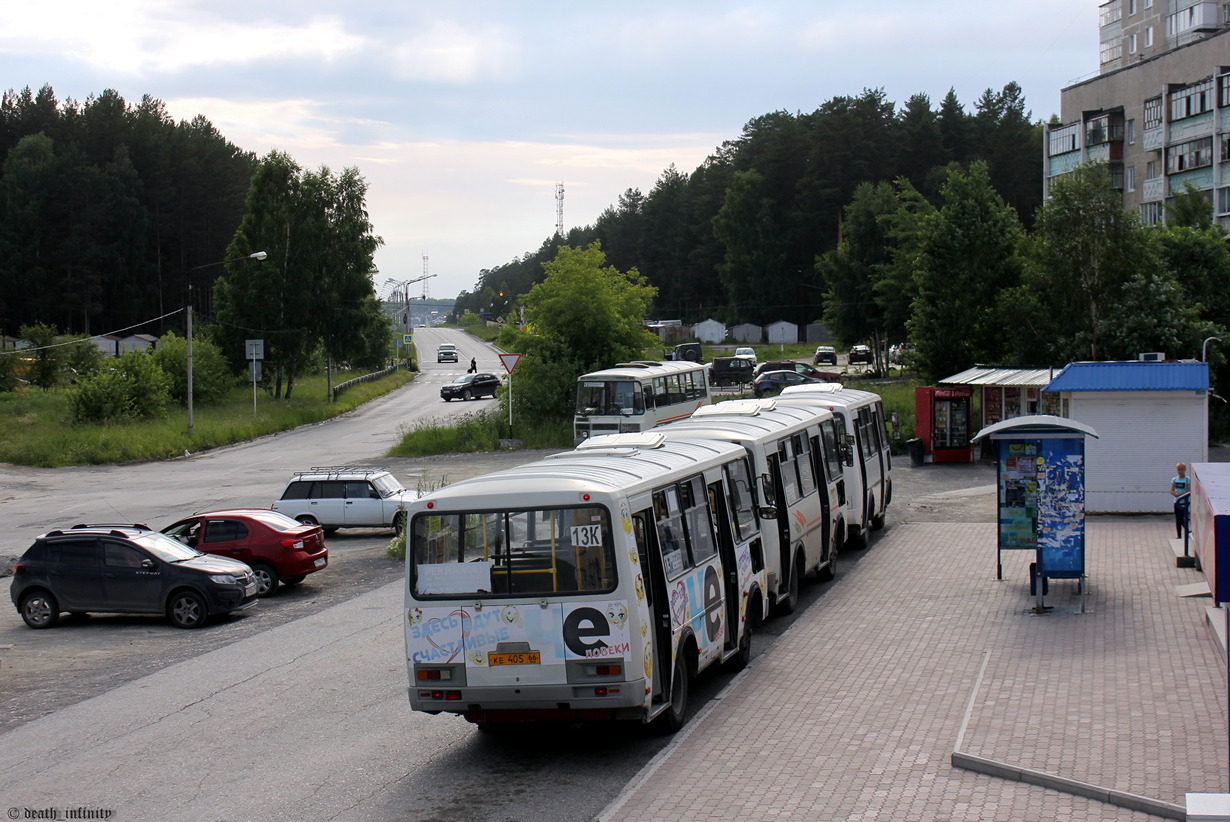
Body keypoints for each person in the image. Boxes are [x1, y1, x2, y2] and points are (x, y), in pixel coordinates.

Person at [1172, 462, 1191, 539]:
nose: (1180, 471)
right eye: (1179, 469)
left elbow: (1189, 491)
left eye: (1182, 469)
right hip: (1176, 501)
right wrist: (1175, 494)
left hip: (1184, 502)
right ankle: (1179, 535)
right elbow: (1172, 490)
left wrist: (1181, 495)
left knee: (1180, 517)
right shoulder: (1174, 479)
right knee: (1177, 519)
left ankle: (1188, 530)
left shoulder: (1187, 479)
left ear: (1185, 470)